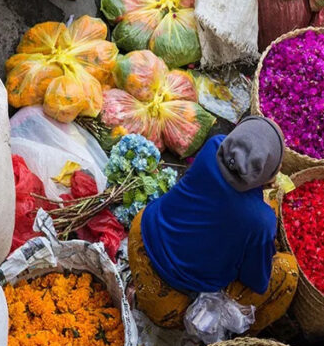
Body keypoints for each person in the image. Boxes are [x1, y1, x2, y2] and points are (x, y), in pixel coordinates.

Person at [128, 116, 298, 333]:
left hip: (142, 235)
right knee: (287, 271)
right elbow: (255, 280)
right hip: (170, 300)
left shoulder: (215, 147)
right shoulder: (260, 221)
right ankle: (242, 336)